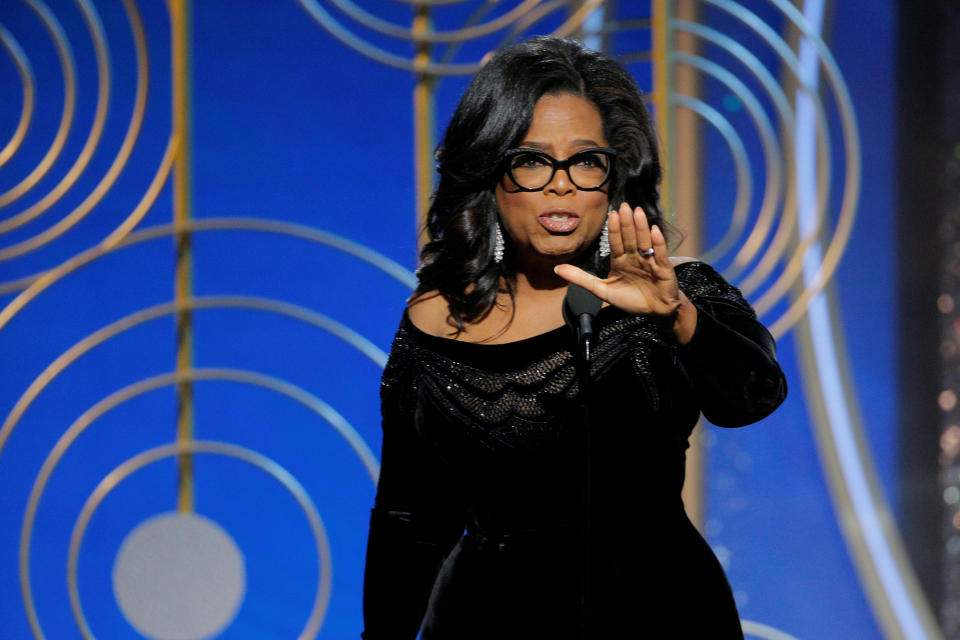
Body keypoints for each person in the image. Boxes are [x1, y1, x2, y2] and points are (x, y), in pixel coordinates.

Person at [361, 36, 786, 639]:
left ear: (614, 181)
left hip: (660, 618)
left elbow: (754, 396)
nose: (561, 184)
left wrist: (676, 316)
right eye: (532, 160)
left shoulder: (678, 294)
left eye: (586, 161)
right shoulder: (436, 319)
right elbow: (410, 520)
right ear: (490, 174)